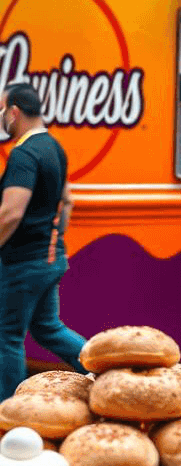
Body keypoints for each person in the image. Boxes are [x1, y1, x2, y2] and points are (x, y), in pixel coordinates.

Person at [0, 84, 87, 400]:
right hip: (49, 258)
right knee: (48, 328)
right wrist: (54, 240)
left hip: (22, 262)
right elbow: (67, 200)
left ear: (14, 112)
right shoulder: (54, 147)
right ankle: (107, 372)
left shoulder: (24, 153)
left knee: (6, 337)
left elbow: (10, 213)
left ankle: (6, 411)